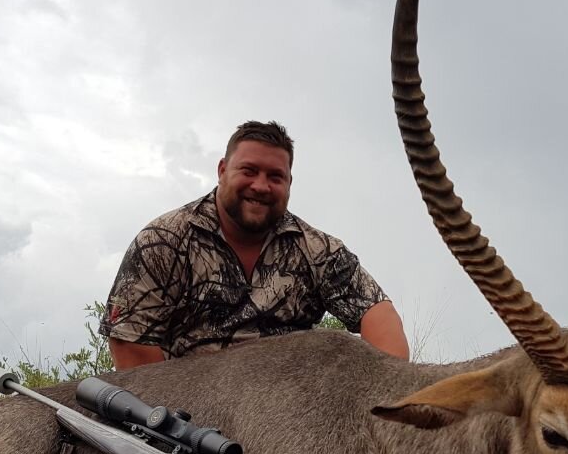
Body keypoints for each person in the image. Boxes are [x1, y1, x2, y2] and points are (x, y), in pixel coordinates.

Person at [100, 120, 409, 370]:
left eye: (275, 176)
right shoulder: (162, 241)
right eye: (249, 171)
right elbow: (130, 342)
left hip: (291, 408)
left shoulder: (318, 251)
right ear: (222, 170)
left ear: (289, 183)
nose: (261, 186)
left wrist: (388, 387)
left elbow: (377, 311)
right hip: (189, 411)